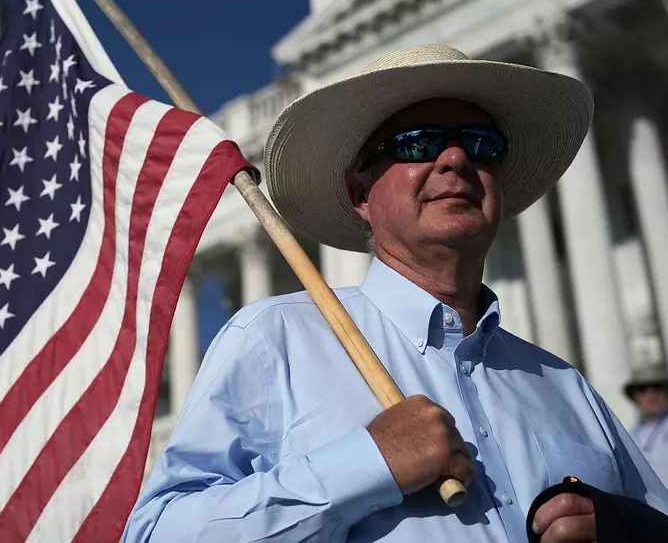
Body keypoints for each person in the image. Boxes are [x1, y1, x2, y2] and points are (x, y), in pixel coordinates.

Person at [123, 45, 668, 542]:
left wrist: (623, 529)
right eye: (419, 143)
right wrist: (365, 465)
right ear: (362, 194)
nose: (456, 159)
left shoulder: (565, 387)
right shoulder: (277, 340)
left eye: (481, 144)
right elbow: (153, 532)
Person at [625, 366, 668, 484]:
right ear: (636, 397)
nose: (651, 394)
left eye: (657, 387)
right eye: (642, 389)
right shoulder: (630, 437)